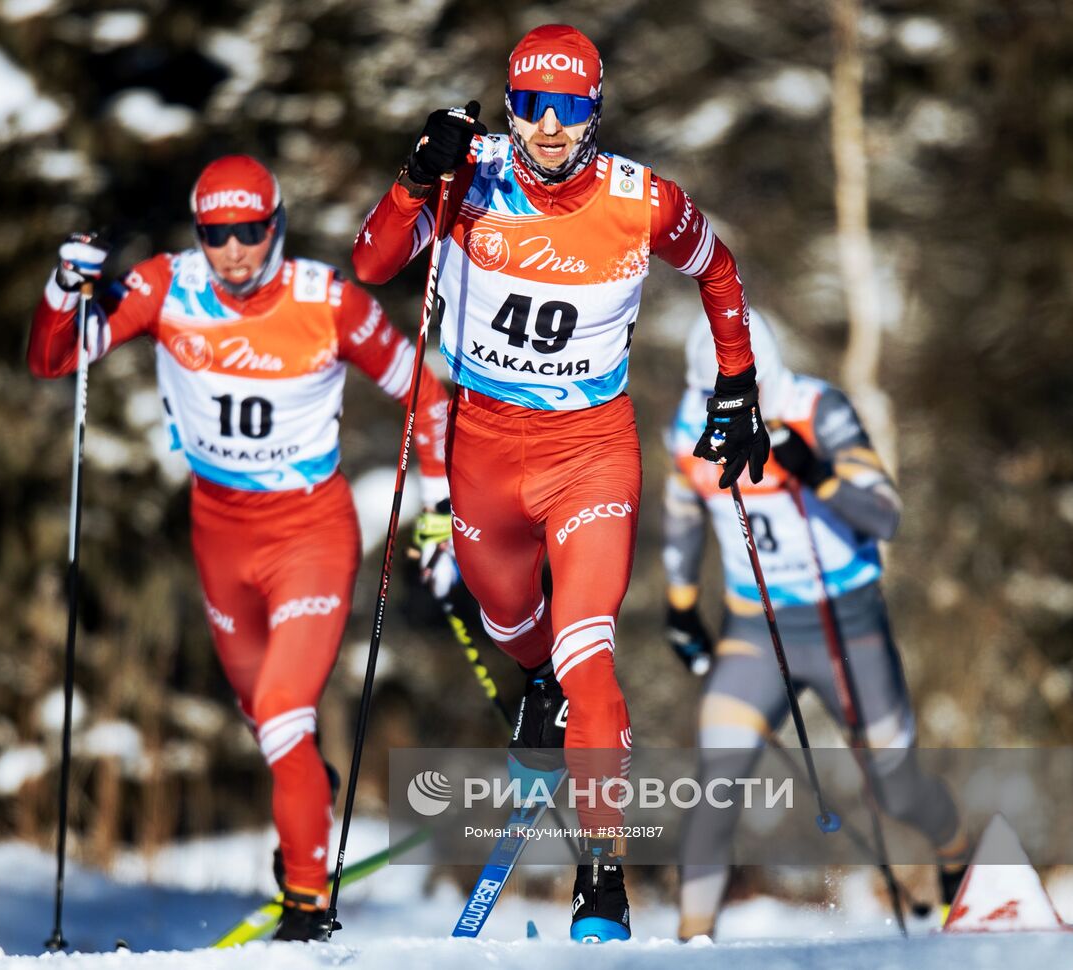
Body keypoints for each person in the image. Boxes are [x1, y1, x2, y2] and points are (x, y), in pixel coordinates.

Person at [353, 23, 770, 942]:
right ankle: (536, 679)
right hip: (484, 450)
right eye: (532, 107)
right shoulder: (470, 176)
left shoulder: (641, 202)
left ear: (595, 112)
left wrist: (738, 384)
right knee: (512, 623)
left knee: (591, 659)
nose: (548, 128)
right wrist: (415, 178)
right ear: (511, 108)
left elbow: (720, 269)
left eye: (569, 109)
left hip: (591, 451)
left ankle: (603, 882)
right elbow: (373, 263)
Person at [27, 155, 450, 942]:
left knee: (287, 715)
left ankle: (306, 906)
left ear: (277, 226)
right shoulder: (164, 286)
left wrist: (437, 511)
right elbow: (55, 358)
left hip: (311, 534)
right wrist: (63, 287)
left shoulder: (328, 301)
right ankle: (308, 794)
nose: (234, 252)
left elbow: (424, 394)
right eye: (217, 234)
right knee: (270, 726)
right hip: (220, 535)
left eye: (250, 232)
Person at [663, 312, 968, 940]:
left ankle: (958, 865)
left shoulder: (818, 408)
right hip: (754, 632)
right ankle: (691, 944)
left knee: (897, 788)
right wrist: (681, 602)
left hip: (845, 627)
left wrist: (819, 472)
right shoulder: (691, 425)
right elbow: (683, 511)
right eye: (710, 395)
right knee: (715, 784)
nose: (721, 408)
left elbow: (885, 516)